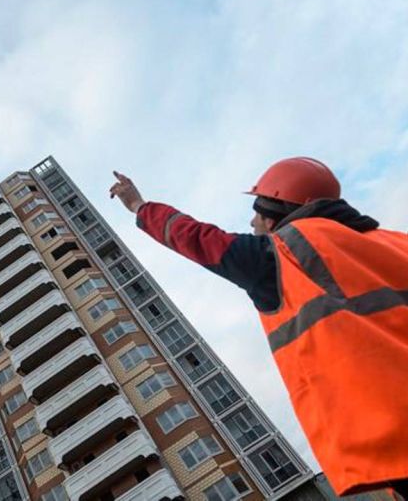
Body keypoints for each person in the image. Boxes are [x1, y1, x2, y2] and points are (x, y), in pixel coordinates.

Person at [109, 157, 408, 498]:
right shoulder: (395, 241)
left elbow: (197, 238)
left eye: (257, 212)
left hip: (394, 431)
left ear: (276, 212)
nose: (252, 222)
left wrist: (139, 206)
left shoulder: (282, 254)